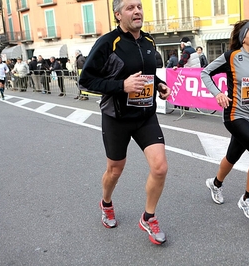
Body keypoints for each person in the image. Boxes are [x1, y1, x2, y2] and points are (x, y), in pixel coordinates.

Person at [79, 0, 171, 245]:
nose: (137, 11)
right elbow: (86, 80)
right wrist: (122, 86)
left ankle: (148, 217)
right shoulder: (108, 43)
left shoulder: (149, 41)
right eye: (130, 7)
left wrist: (159, 84)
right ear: (118, 14)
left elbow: (147, 72)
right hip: (116, 117)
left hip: (145, 116)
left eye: (139, 6)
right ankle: (106, 203)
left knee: (160, 167)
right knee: (115, 170)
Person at [201, 19, 249, 220]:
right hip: (234, 115)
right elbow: (205, 72)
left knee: (232, 156)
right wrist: (217, 93)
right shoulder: (232, 57)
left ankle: (215, 184)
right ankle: (247, 199)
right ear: (244, 37)